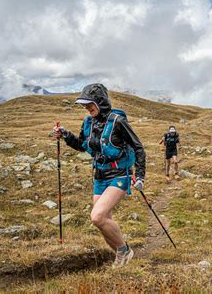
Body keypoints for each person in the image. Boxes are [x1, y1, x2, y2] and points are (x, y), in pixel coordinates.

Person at [53, 83, 145, 268]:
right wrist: (65, 135)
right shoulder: (89, 122)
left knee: (97, 217)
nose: (86, 108)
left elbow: (138, 147)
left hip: (120, 174)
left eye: (89, 104)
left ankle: (124, 251)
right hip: (100, 176)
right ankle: (121, 254)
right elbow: (81, 145)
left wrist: (141, 176)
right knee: (103, 221)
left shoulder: (118, 121)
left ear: (100, 102)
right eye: (84, 105)